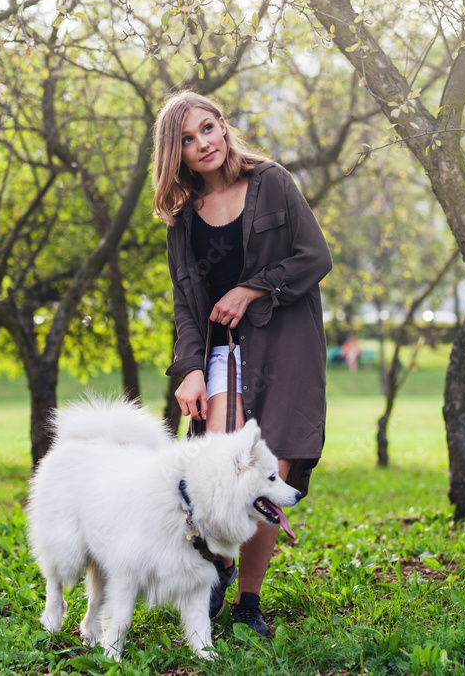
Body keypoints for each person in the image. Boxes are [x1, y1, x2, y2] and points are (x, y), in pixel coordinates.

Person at [152, 90, 332, 636]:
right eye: (186, 138)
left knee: (270, 471)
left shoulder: (271, 181)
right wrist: (188, 367)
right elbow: (187, 307)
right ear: (175, 153)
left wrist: (251, 290)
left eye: (208, 128)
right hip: (221, 355)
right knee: (220, 474)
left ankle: (248, 603)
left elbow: (314, 256)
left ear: (223, 127)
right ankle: (215, 574)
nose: (202, 142)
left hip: (284, 350)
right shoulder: (183, 222)